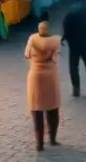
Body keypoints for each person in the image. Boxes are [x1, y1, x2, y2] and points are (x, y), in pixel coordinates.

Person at [25, 21, 62, 151]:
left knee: (37, 109)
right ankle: (52, 139)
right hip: (50, 76)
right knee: (53, 108)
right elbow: (56, 57)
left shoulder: (32, 38)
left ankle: (39, 143)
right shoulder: (56, 40)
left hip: (35, 76)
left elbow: (26, 55)